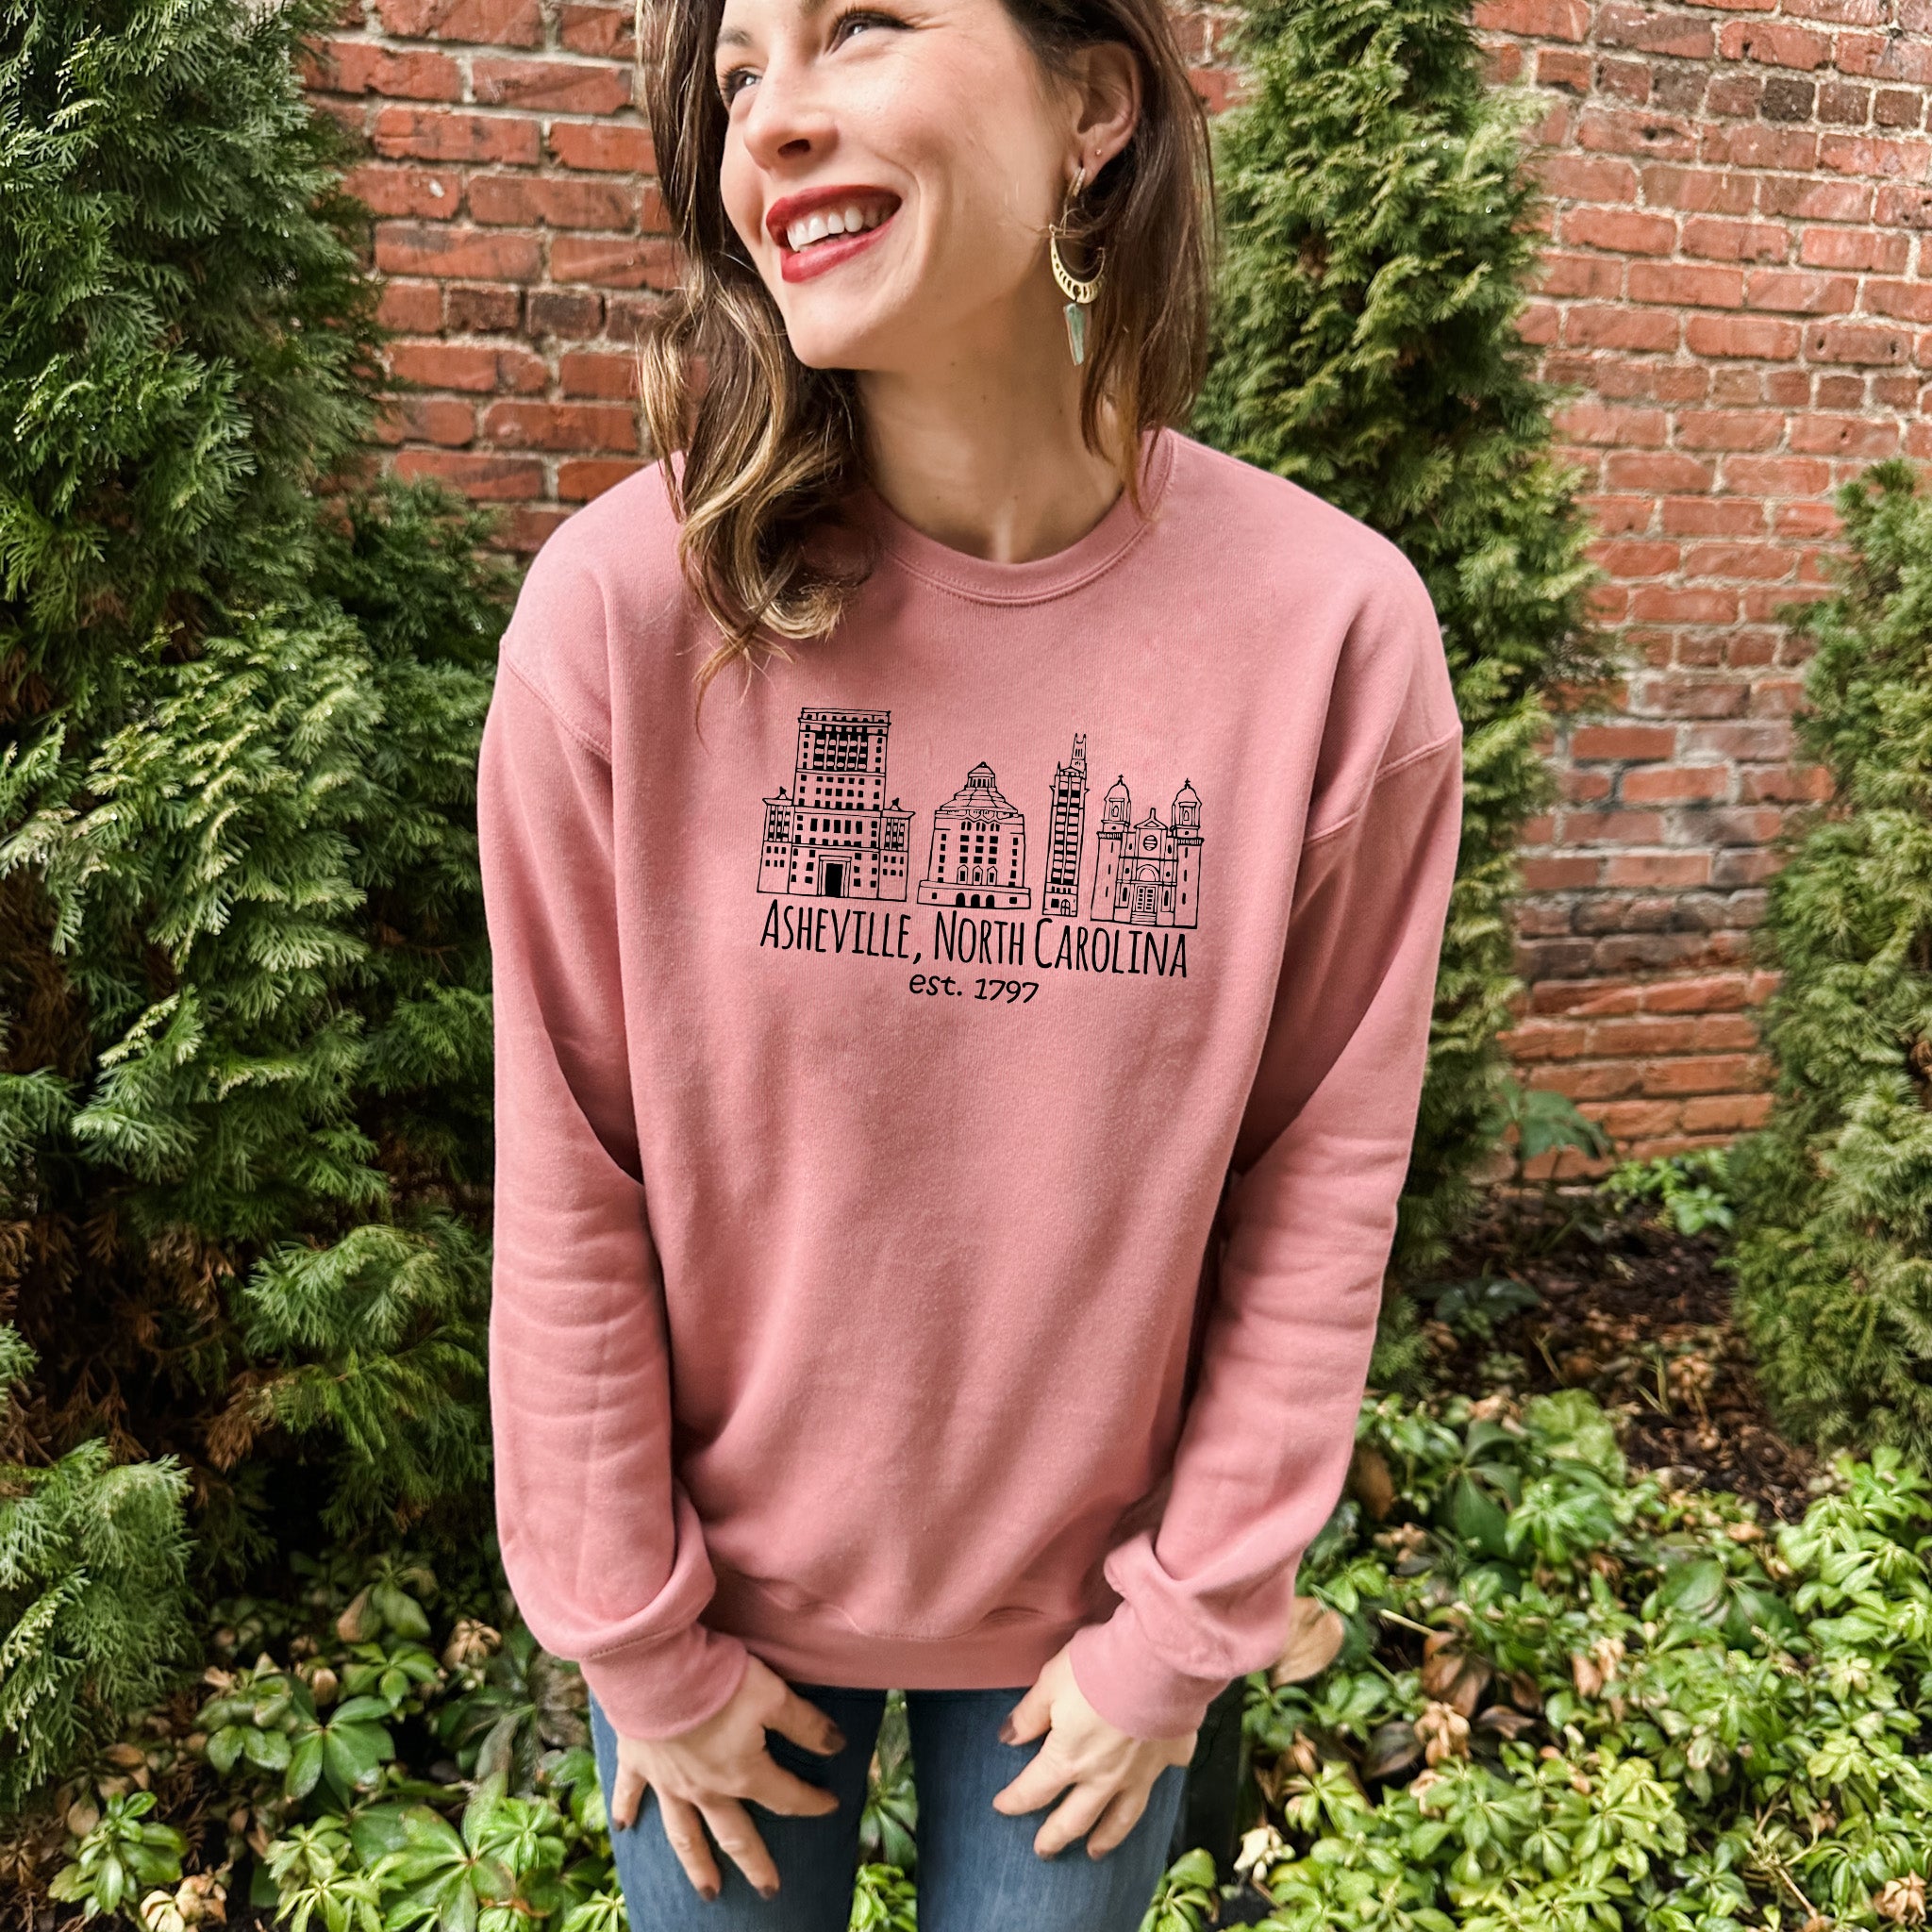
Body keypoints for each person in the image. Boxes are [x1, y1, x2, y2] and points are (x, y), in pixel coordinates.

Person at [474, 0, 1465, 1924]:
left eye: (855, 28)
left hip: (1083, 1644)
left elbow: (1319, 1186)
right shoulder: (620, 620)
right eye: (740, 73)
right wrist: (632, 1640)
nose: (772, 121)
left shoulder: (1330, 639)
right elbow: (568, 1164)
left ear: (1092, 104)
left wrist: (1177, 1632)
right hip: (714, 1641)